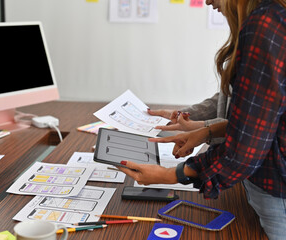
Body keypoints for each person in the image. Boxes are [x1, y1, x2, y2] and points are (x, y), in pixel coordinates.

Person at [118, 0, 286, 239]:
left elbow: (244, 151)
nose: (206, 0)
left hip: (277, 192)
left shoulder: (266, 24)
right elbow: (265, 118)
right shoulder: (274, 17)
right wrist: (208, 130)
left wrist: (169, 175)